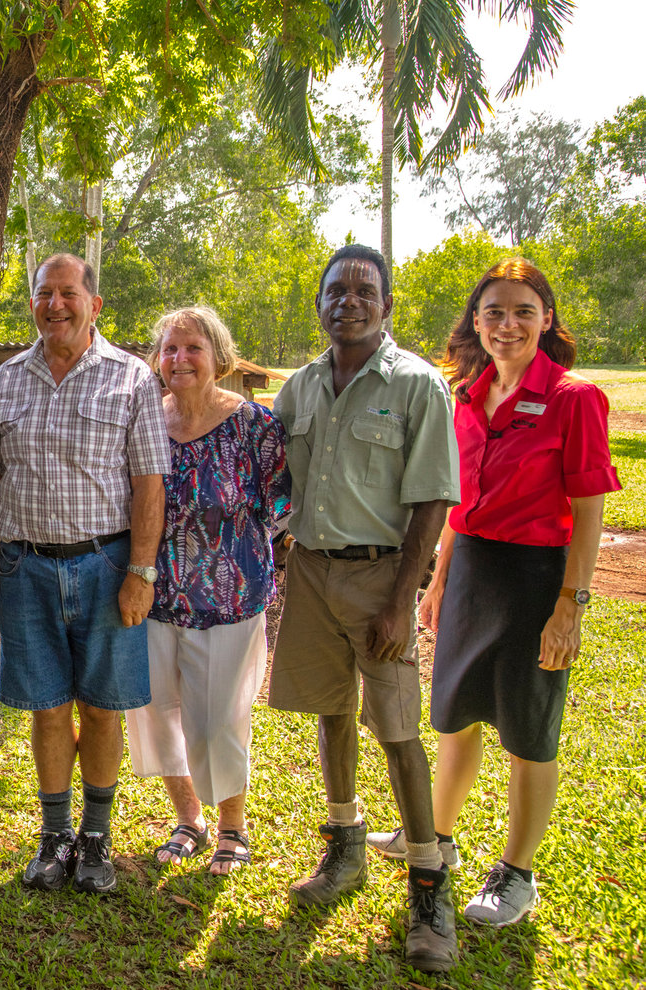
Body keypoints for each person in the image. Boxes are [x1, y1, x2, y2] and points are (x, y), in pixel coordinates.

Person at [369, 259, 620, 926]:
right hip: (473, 570)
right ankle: (437, 839)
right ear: (475, 324)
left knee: (528, 732)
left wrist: (571, 601)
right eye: (494, 312)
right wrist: (440, 580)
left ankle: (517, 874)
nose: (507, 324)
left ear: (546, 320)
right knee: (453, 715)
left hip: (537, 579)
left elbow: (589, 504)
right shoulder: (469, 399)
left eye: (522, 311)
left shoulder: (573, 398)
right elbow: (457, 502)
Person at [268, 244, 461, 973]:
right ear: (319, 303)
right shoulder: (303, 386)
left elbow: (434, 497)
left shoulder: (416, 385)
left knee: (398, 729)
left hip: (381, 578)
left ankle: (427, 883)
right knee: (331, 710)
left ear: (386, 306)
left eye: (363, 290)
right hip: (311, 571)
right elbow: (275, 465)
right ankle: (345, 846)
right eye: (335, 290)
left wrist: (402, 600)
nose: (347, 300)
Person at [0, 253, 168, 895]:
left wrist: (141, 569)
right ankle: (55, 838)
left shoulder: (132, 379)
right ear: (31, 304)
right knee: (48, 708)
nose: (54, 304)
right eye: (42, 293)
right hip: (25, 567)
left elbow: (148, 482)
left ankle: (97, 839)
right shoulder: (2, 382)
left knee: (102, 707)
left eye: (67, 293)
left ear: (93, 305)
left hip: (107, 564)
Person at [125, 307, 289, 875]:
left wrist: (240, 558)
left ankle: (232, 827)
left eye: (192, 348)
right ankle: (187, 818)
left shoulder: (254, 426)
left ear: (218, 357)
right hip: (153, 595)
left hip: (228, 599)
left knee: (218, 717)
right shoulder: (145, 420)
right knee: (158, 711)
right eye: (169, 349)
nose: (180, 359)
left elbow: (280, 505)